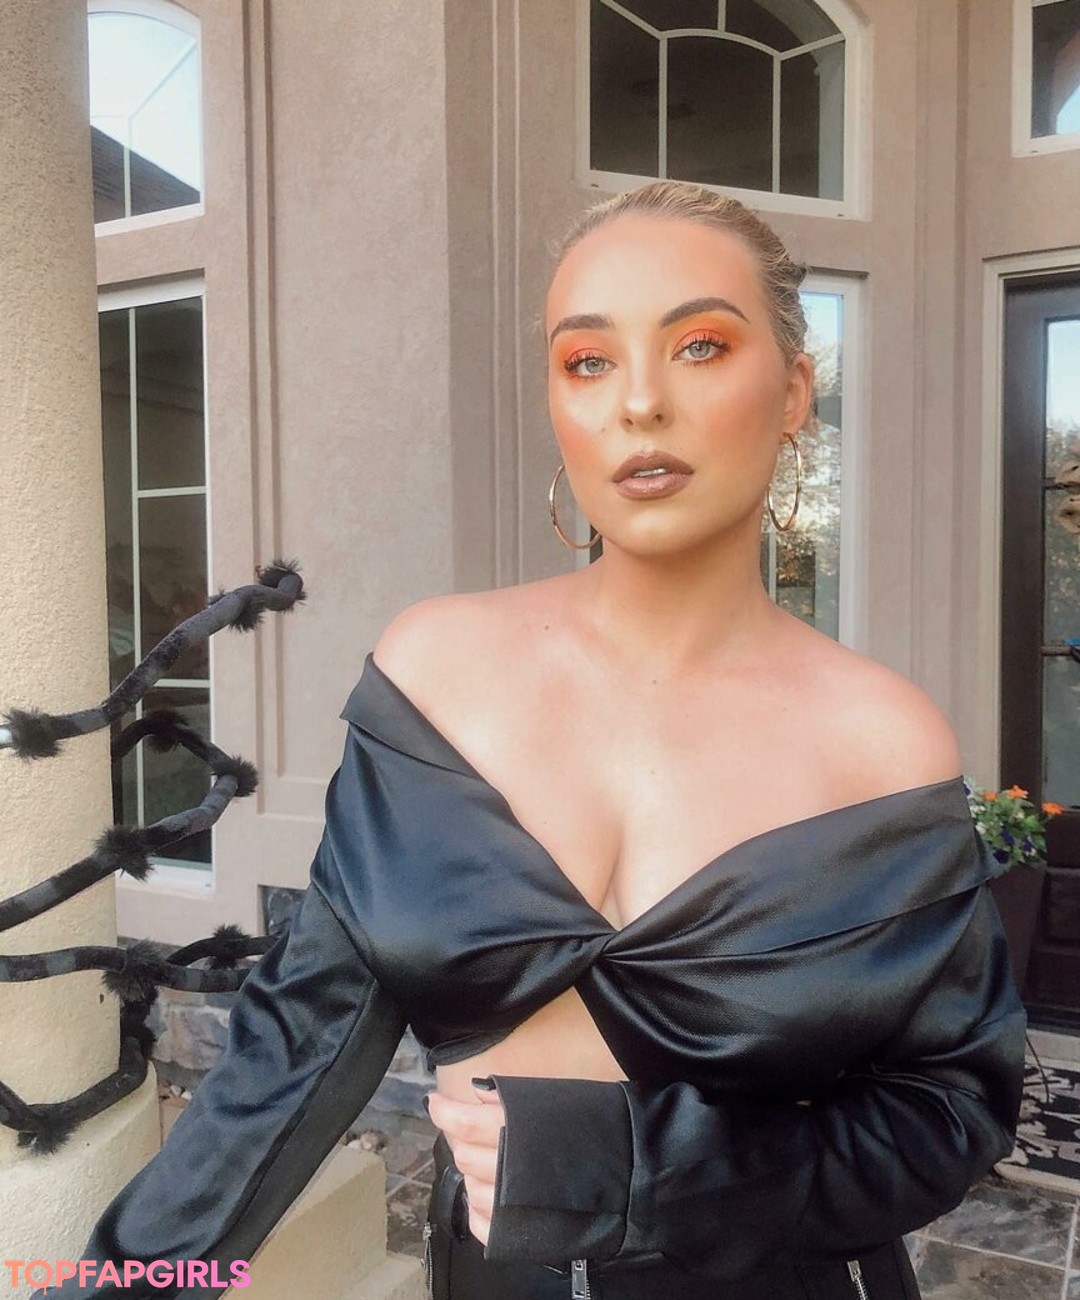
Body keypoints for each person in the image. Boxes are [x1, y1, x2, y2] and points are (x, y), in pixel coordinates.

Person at [32, 180, 1027, 1300]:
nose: (639, 403)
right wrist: (121, 1287)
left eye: (700, 346)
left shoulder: (883, 741)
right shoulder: (438, 676)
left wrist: (653, 1172)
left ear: (794, 391)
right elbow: (298, 1048)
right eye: (588, 361)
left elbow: (953, 1107)